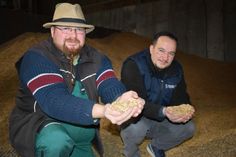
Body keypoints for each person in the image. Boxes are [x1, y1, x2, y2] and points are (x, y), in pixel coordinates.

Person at [9, 3, 144, 157]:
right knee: (56, 142)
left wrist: (120, 98)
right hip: (42, 125)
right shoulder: (37, 57)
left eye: (79, 29)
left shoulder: (97, 58)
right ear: (53, 31)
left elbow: (108, 82)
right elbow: (54, 100)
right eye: (65, 28)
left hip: (81, 136)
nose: (73, 35)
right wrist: (104, 110)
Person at [120, 31, 195, 157]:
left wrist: (185, 111)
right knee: (135, 129)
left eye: (171, 53)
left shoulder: (176, 70)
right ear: (151, 48)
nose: (165, 58)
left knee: (189, 128)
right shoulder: (134, 64)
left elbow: (181, 98)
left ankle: (157, 146)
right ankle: (131, 153)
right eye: (161, 50)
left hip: (160, 116)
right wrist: (164, 111)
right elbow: (136, 103)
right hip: (136, 115)